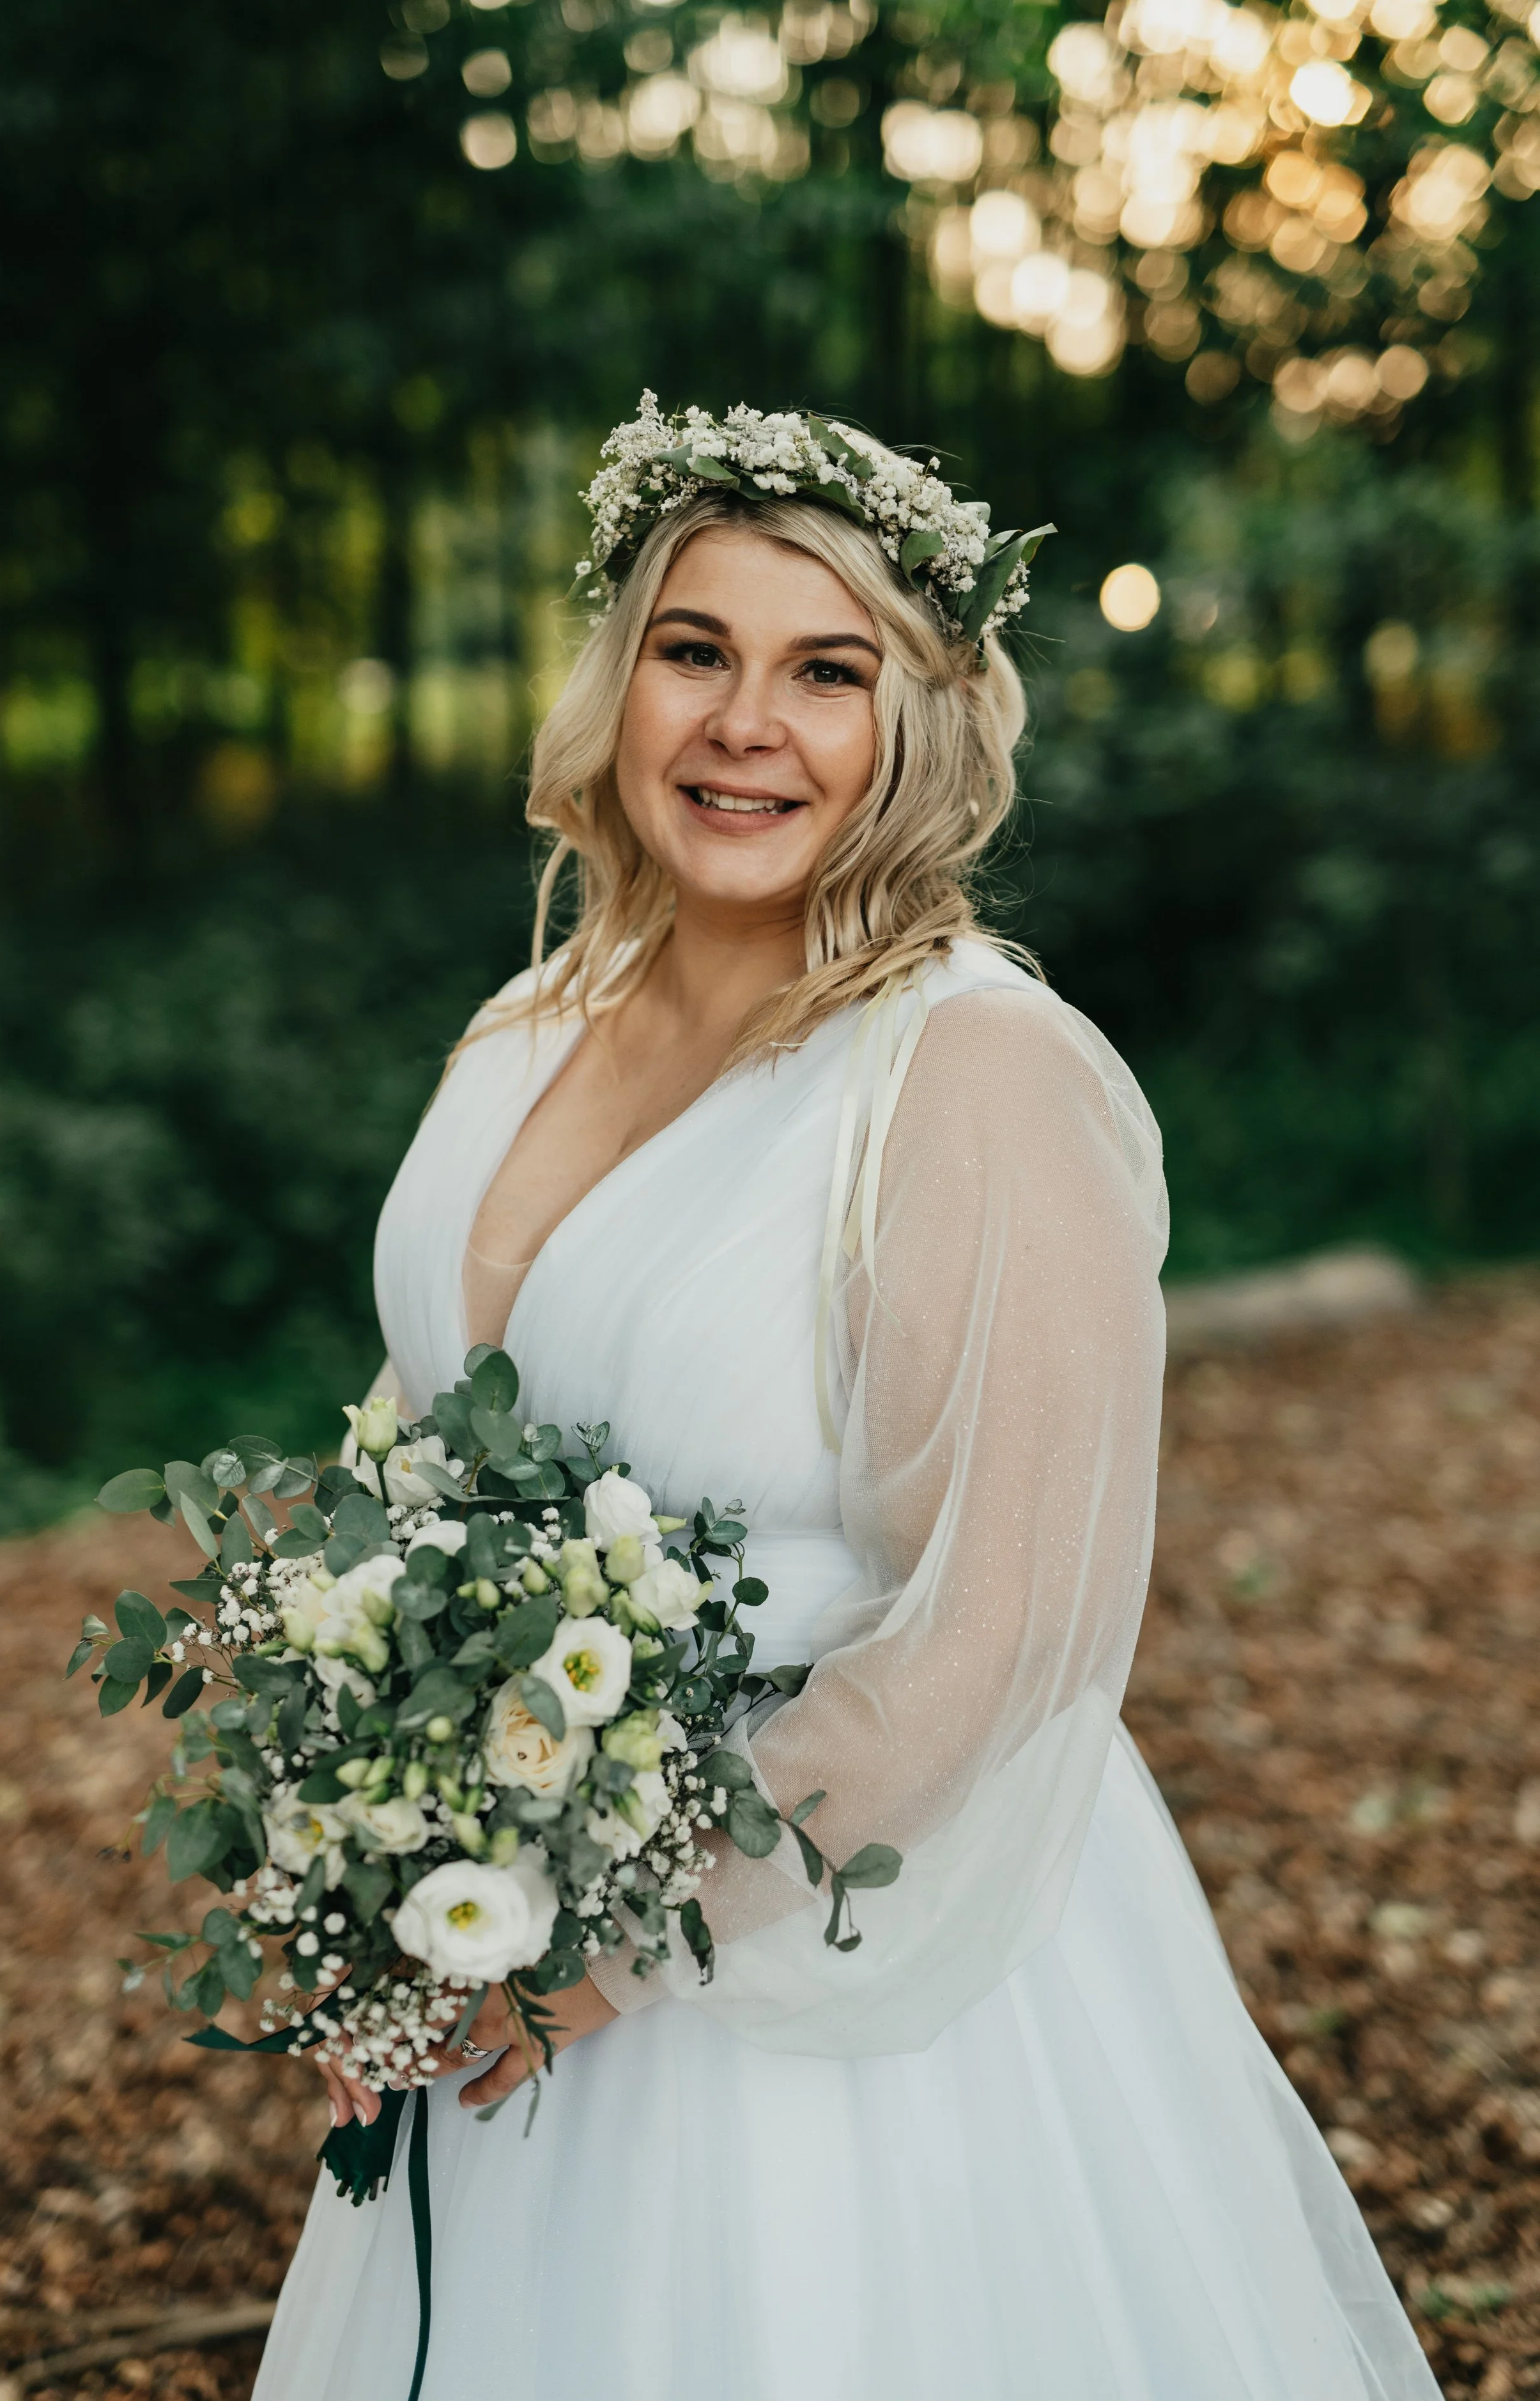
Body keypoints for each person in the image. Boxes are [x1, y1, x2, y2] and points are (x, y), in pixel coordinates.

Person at [252, 399, 1438, 2400]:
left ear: (922, 720)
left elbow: (994, 1628)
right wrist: (364, 1814)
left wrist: (610, 1947)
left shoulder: (970, 1073)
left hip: (832, 1974)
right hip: (495, 1920)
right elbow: (417, 1434)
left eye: (828, 670)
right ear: (616, 676)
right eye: (693, 649)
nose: (745, 724)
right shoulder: (527, 1022)